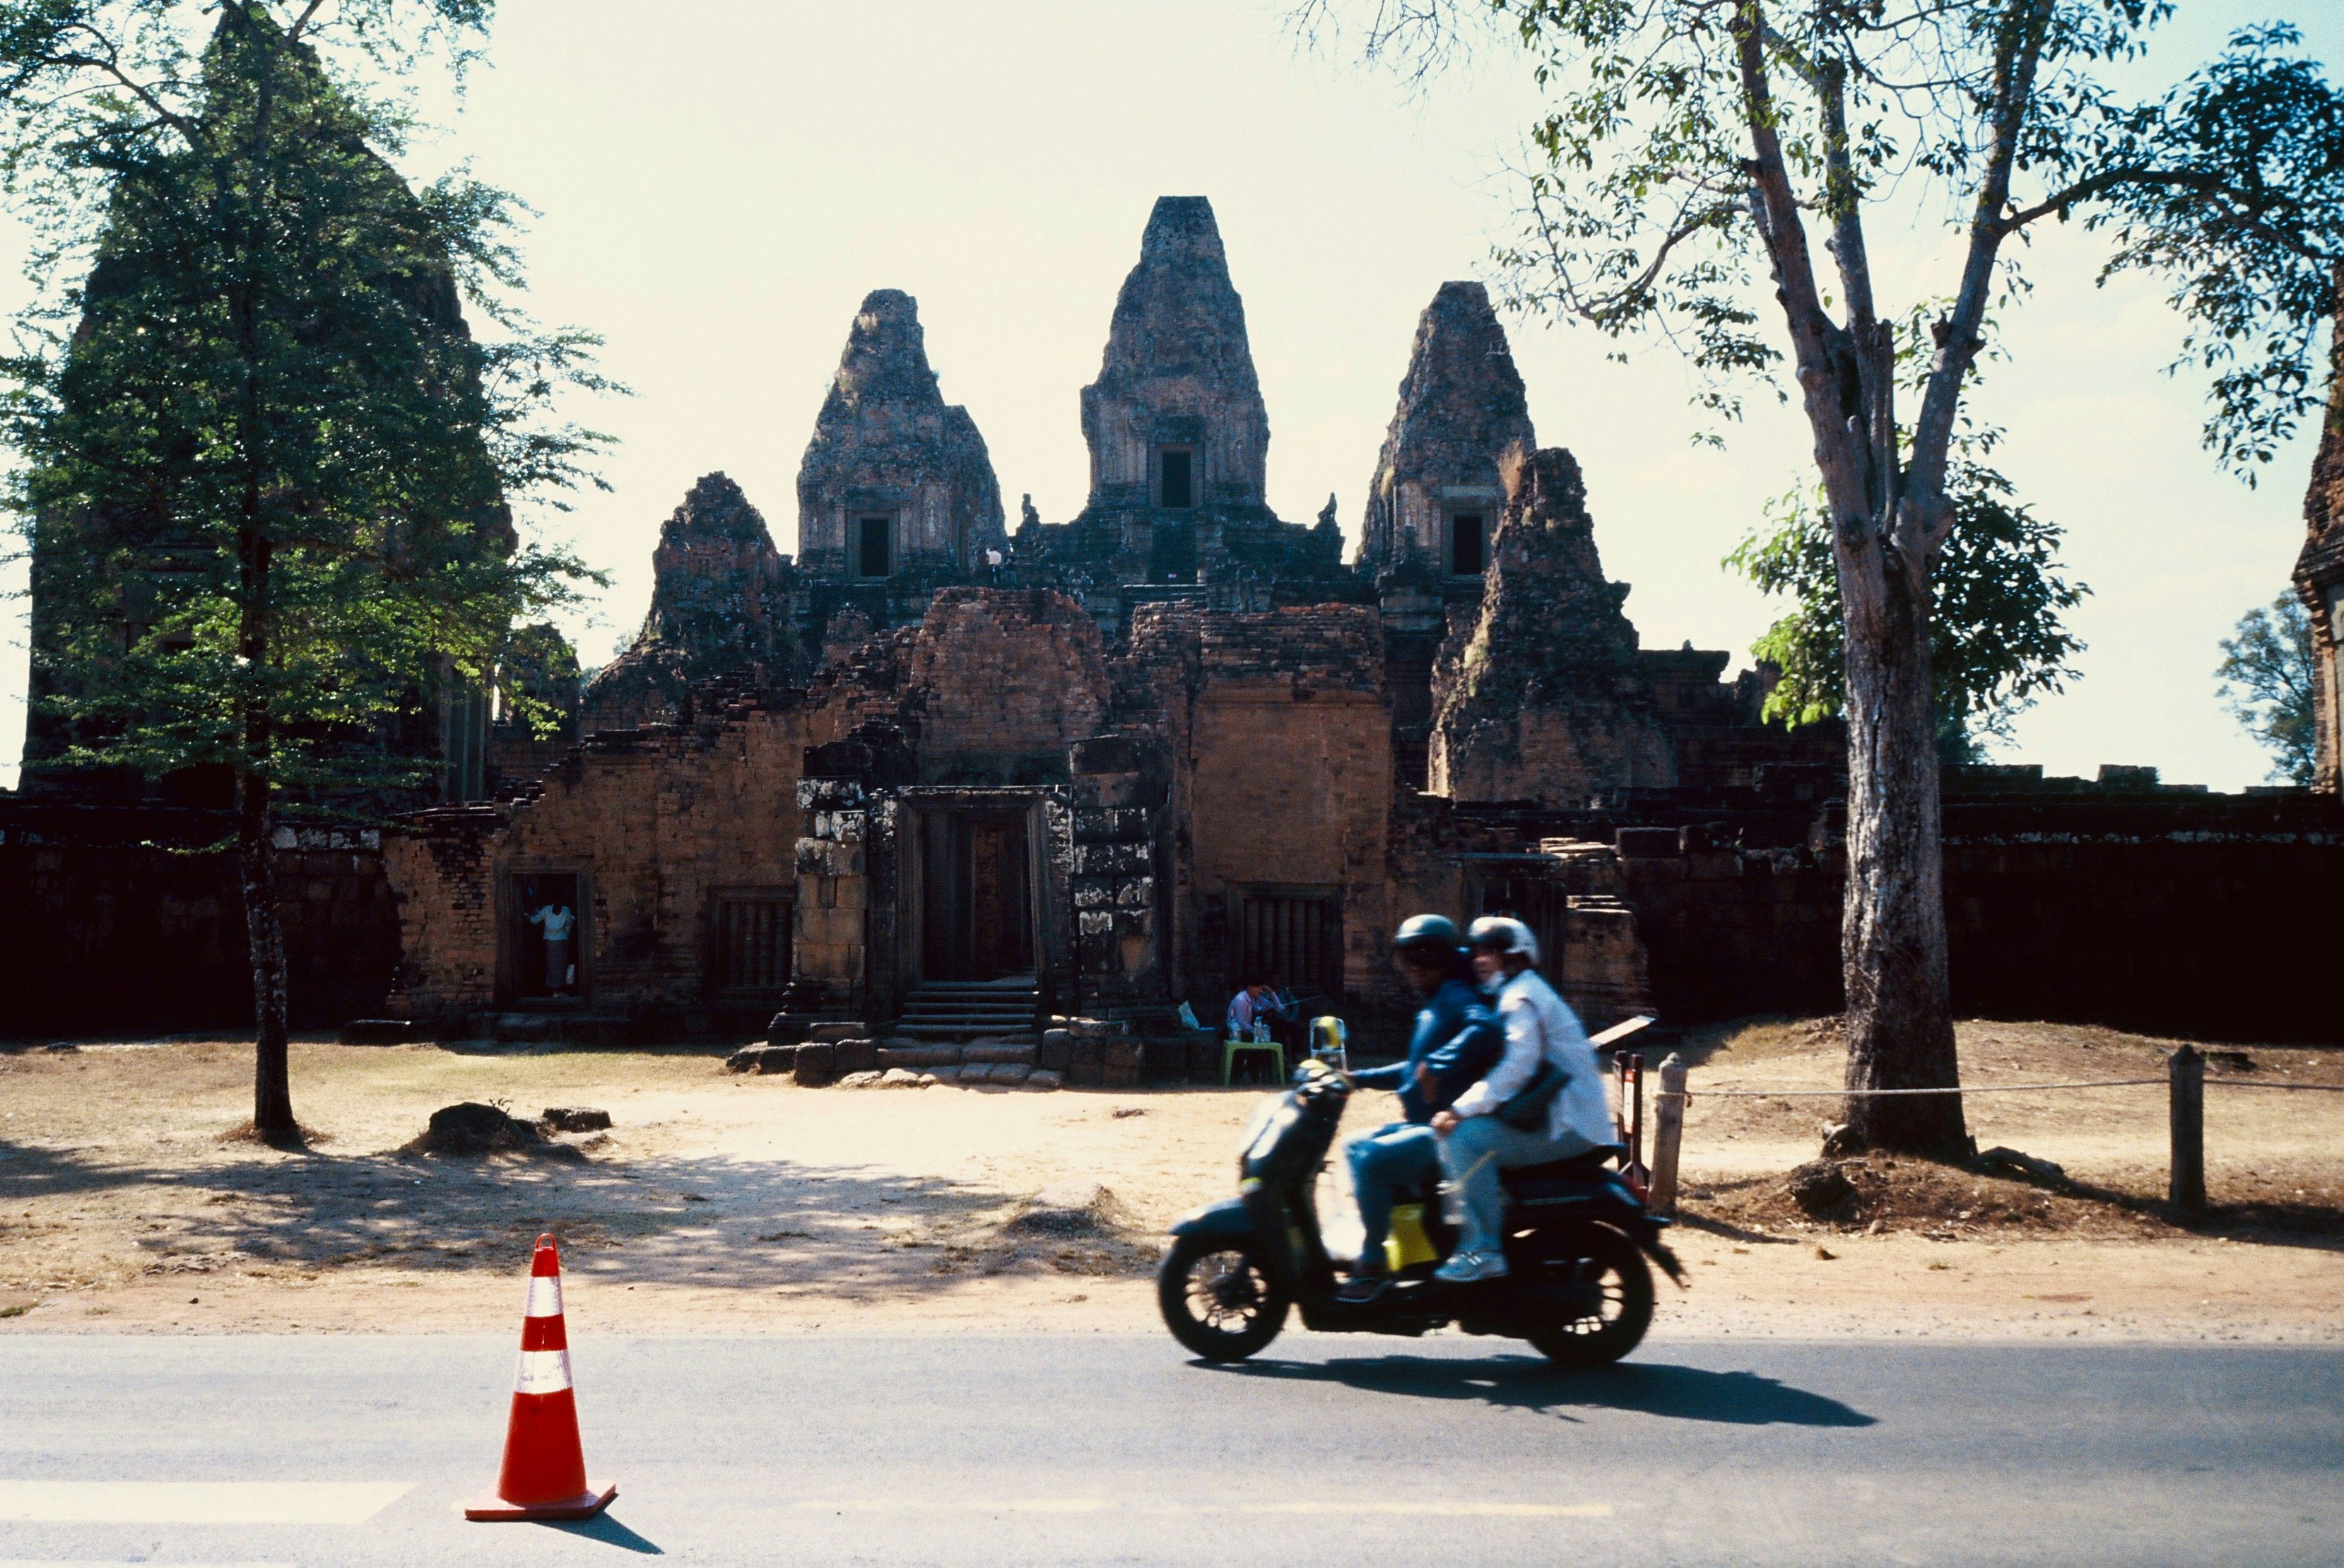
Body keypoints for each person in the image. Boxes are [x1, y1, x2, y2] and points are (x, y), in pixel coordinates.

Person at [1428, 915, 1615, 1284]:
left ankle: (1483, 1250)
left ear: (1515, 957)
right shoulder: (1519, 993)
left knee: (1465, 1139)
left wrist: (1457, 1109)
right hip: (1562, 1119)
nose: (1481, 960)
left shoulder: (1521, 998)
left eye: (1492, 953)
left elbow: (1518, 1067)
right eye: (1478, 952)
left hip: (1569, 1125)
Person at [1337, 916, 1504, 1298]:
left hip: (1445, 1130)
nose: (1414, 967)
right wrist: (1357, 1079)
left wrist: (1440, 1063)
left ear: (1443, 958)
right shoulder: (1435, 1003)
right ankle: (1405, 1250)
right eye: (1407, 957)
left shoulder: (1455, 995)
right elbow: (1413, 1071)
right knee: (1353, 1146)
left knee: (1374, 1160)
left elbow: (1486, 1028)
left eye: (1424, 957)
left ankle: (1373, 1264)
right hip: (1425, 1123)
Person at [526, 898, 576, 996]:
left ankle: (553, 989)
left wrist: (526, 915)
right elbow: (569, 926)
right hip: (562, 941)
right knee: (561, 965)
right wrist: (567, 935)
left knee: (552, 966)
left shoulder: (546, 910)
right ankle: (559, 989)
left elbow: (534, 920)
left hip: (550, 942)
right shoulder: (566, 911)